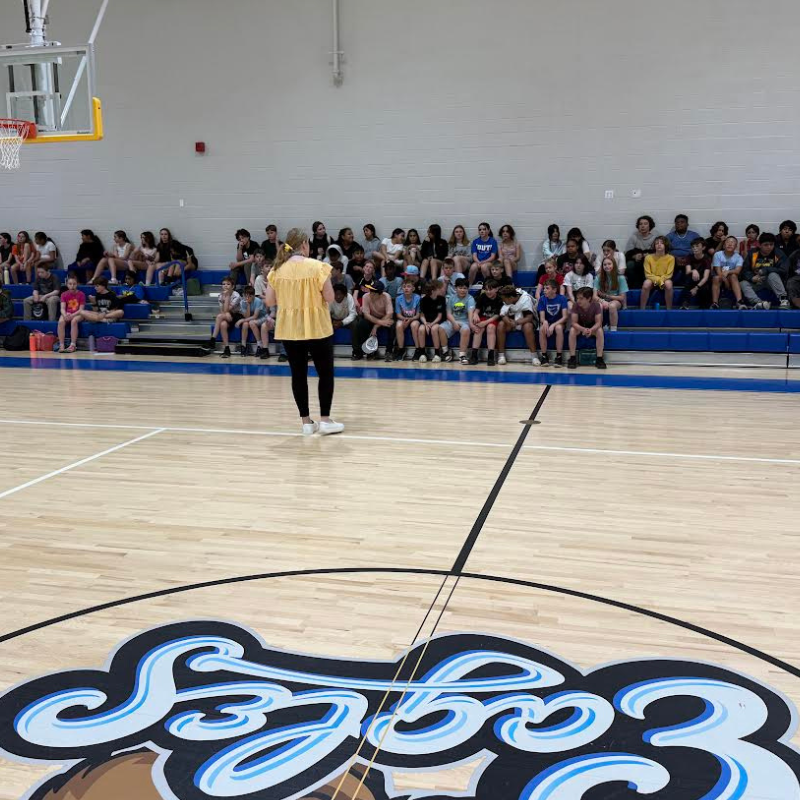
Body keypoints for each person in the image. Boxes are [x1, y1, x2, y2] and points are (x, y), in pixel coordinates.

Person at [264, 228, 343, 435]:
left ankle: (306, 423)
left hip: (290, 329)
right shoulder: (318, 267)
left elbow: (270, 301)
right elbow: (329, 297)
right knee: (325, 374)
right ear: (305, 245)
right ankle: (325, 420)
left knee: (298, 375)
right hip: (317, 327)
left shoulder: (276, 269)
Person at [740, 232, 790, 309]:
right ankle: (760, 303)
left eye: (771, 244)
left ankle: (784, 300)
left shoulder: (778, 253)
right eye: (766, 245)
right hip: (758, 281)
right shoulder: (752, 253)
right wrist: (752, 278)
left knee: (772, 274)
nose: (769, 247)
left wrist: (765, 270)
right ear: (759, 245)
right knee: (743, 283)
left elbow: (784, 270)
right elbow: (744, 270)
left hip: (773, 282)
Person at [351, 280, 393, 361]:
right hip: (371, 318)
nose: (371, 293)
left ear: (380, 293)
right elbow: (366, 315)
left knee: (392, 325)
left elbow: (389, 314)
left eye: (373, 292)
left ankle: (389, 352)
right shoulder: (366, 296)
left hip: (384, 318)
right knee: (359, 324)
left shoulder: (386, 296)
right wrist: (378, 322)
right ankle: (358, 352)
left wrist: (376, 326)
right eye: (370, 290)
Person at [496, 284, 536, 366]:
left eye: (504, 299)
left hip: (524, 321)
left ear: (511, 298)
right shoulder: (507, 297)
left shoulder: (525, 299)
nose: (503, 301)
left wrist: (516, 323)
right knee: (501, 325)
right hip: (511, 321)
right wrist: (509, 322)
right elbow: (503, 314)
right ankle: (501, 356)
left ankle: (534, 356)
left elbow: (529, 317)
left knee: (528, 326)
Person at [568, 287, 606, 369]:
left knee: (599, 331)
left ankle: (599, 358)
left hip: (593, 327)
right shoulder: (575, 305)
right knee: (572, 330)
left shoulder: (596, 305)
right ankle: (572, 358)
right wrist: (583, 329)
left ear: (589, 298)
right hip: (580, 327)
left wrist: (591, 330)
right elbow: (574, 322)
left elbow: (599, 322)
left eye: (581, 298)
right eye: (577, 298)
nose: (578, 300)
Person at [442, 278, 476, 364]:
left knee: (466, 329)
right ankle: (445, 352)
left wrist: (471, 325)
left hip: (465, 321)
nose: (462, 290)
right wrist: (454, 323)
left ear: (468, 289)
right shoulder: (451, 298)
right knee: (440, 328)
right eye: (460, 288)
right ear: (456, 288)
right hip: (453, 320)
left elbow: (470, 313)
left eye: (465, 288)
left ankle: (462, 355)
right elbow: (449, 313)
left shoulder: (470, 299)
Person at [470, 279, 503, 365]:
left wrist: (486, 322)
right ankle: (474, 355)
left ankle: (491, 356)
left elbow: (497, 315)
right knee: (478, 328)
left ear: (496, 289)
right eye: (486, 289)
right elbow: (477, 309)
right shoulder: (482, 296)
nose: (488, 292)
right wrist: (475, 314)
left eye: (490, 289)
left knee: (490, 328)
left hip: (493, 318)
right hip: (483, 317)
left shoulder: (499, 299)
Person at [537, 278, 569, 366]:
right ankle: (544, 356)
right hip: (549, 322)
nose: (544, 290)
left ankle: (559, 356)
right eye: (544, 288)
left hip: (559, 322)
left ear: (554, 290)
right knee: (542, 329)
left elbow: (565, 317)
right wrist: (545, 322)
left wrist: (554, 325)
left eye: (547, 288)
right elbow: (542, 317)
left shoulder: (562, 299)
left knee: (558, 328)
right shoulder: (542, 299)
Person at [625, 216, 661, 288]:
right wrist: (634, 256)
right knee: (629, 264)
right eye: (640, 224)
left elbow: (661, 251)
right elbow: (627, 253)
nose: (643, 226)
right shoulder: (634, 237)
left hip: (652, 260)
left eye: (645, 224)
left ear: (650, 225)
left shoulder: (656, 236)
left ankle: (651, 285)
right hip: (637, 261)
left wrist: (649, 255)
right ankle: (634, 287)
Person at [211, 275, 243, 358]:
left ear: (233, 287)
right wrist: (226, 314)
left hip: (238, 315)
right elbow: (223, 311)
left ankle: (212, 339)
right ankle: (227, 349)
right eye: (224, 284)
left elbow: (227, 310)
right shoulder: (220, 296)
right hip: (227, 315)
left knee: (219, 317)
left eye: (228, 284)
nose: (225, 286)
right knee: (223, 324)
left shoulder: (236, 295)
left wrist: (228, 296)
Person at [711, 235, 745, 309]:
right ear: (723, 245)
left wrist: (728, 272)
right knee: (716, 278)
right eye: (728, 242)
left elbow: (737, 271)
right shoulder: (718, 254)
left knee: (733, 276)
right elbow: (718, 271)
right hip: (720, 277)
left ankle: (739, 302)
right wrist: (725, 281)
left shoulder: (738, 257)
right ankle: (715, 303)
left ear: (736, 246)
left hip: (732, 278)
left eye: (732, 243)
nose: (730, 244)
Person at [641, 236, 675, 309]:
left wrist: (661, 280)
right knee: (646, 284)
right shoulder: (648, 257)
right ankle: (642, 308)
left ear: (665, 245)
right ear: (654, 246)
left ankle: (669, 309)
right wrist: (658, 280)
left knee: (669, 284)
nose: (659, 244)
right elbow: (648, 274)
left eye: (661, 243)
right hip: (653, 280)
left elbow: (669, 274)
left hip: (664, 280)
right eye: (657, 243)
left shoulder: (671, 258)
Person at [595, 255, 629, 329]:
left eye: (609, 264)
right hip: (602, 300)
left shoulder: (620, 277)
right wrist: (602, 301)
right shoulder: (598, 277)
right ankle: (599, 329)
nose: (607, 266)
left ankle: (613, 330)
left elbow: (622, 298)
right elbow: (594, 296)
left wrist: (607, 296)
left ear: (614, 264)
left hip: (616, 300)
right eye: (605, 264)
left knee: (612, 306)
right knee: (599, 305)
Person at [394, 278, 423, 360]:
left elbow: (418, 315)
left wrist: (410, 320)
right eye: (404, 287)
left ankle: (418, 350)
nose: (406, 288)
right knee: (398, 325)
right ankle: (401, 350)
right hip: (403, 318)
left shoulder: (417, 298)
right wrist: (405, 319)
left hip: (414, 319)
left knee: (414, 325)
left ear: (413, 288)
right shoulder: (398, 299)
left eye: (408, 286)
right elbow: (398, 314)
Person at [679, 238, 712, 310]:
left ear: (703, 248)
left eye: (697, 246)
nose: (695, 248)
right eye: (693, 247)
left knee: (705, 289)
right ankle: (685, 304)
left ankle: (704, 307)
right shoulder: (689, 257)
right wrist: (693, 270)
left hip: (703, 281)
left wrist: (696, 288)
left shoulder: (707, 259)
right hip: (692, 279)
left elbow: (705, 277)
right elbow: (688, 271)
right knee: (688, 281)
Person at [57, 273, 85, 353]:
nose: (72, 286)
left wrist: (72, 315)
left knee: (74, 321)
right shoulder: (64, 294)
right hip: (67, 313)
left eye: (74, 284)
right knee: (61, 321)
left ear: (77, 284)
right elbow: (62, 308)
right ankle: (61, 344)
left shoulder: (81, 294)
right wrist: (65, 315)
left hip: (78, 314)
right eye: (70, 284)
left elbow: (81, 310)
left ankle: (73, 345)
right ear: (67, 284)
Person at [419, 279, 446, 362]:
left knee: (434, 329)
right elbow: (422, 314)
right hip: (427, 321)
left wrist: (432, 324)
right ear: (434, 290)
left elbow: (439, 316)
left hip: (437, 321)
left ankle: (437, 353)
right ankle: (422, 353)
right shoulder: (423, 300)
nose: (442, 289)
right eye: (440, 288)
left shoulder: (441, 299)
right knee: (421, 329)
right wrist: (426, 323)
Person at [236, 285, 263, 356]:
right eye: (246, 296)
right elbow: (247, 316)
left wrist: (241, 320)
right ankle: (243, 345)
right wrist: (248, 305)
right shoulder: (243, 302)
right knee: (245, 324)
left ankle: (259, 345)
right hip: (251, 318)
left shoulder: (258, 301)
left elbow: (255, 316)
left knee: (250, 323)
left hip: (262, 318)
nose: (247, 298)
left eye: (250, 296)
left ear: (254, 295)